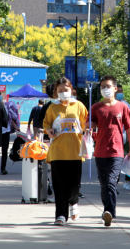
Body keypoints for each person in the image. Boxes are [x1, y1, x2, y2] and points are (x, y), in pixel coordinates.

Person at [43, 77, 88, 226]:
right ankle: (61, 215)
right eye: (60, 90)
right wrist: (48, 130)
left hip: (75, 151)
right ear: (56, 92)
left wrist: (88, 129)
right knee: (59, 185)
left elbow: (86, 123)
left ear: (71, 90)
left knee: (74, 185)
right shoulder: (52, 107)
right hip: (57, 151)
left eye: (66, 89)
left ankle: (73, 202)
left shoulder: (79, 106)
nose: (63, 92)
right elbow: (46, 123)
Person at [92, 75, 130, 227]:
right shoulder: (96, 107)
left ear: (115, 88)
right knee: (104, 184)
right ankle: (107, 211)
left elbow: (129, 128)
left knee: (111, 182)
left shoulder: (123, 107)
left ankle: (109, 212)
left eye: (108, 86)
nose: (105, 89)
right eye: (103, 86)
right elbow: (89, 124)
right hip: (99, 151)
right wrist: (89, 127)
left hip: (117, 152)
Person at [1, 97, 20, 175]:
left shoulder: (7, 107)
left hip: (6, 132)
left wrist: (16, 128)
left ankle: (3, 168)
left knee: (4, 150)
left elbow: (11, 119)